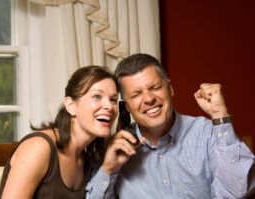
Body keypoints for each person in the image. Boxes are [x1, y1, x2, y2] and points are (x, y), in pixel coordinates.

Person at [86, 54, 255, 199]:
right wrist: (108, 170)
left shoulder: (207, 133)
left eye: (155, 87)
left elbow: (238, 192)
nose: (148, 99)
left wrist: (220, 116)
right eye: (136, 94)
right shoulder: (114, 150)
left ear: (170, 88)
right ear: (127, 106)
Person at [0, 65, 120, 199]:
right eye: (97, 96)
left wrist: (109, 169)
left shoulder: (87, 160)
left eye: (113, 99)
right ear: (71, 106)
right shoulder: (39, 148)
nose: (109, 106)